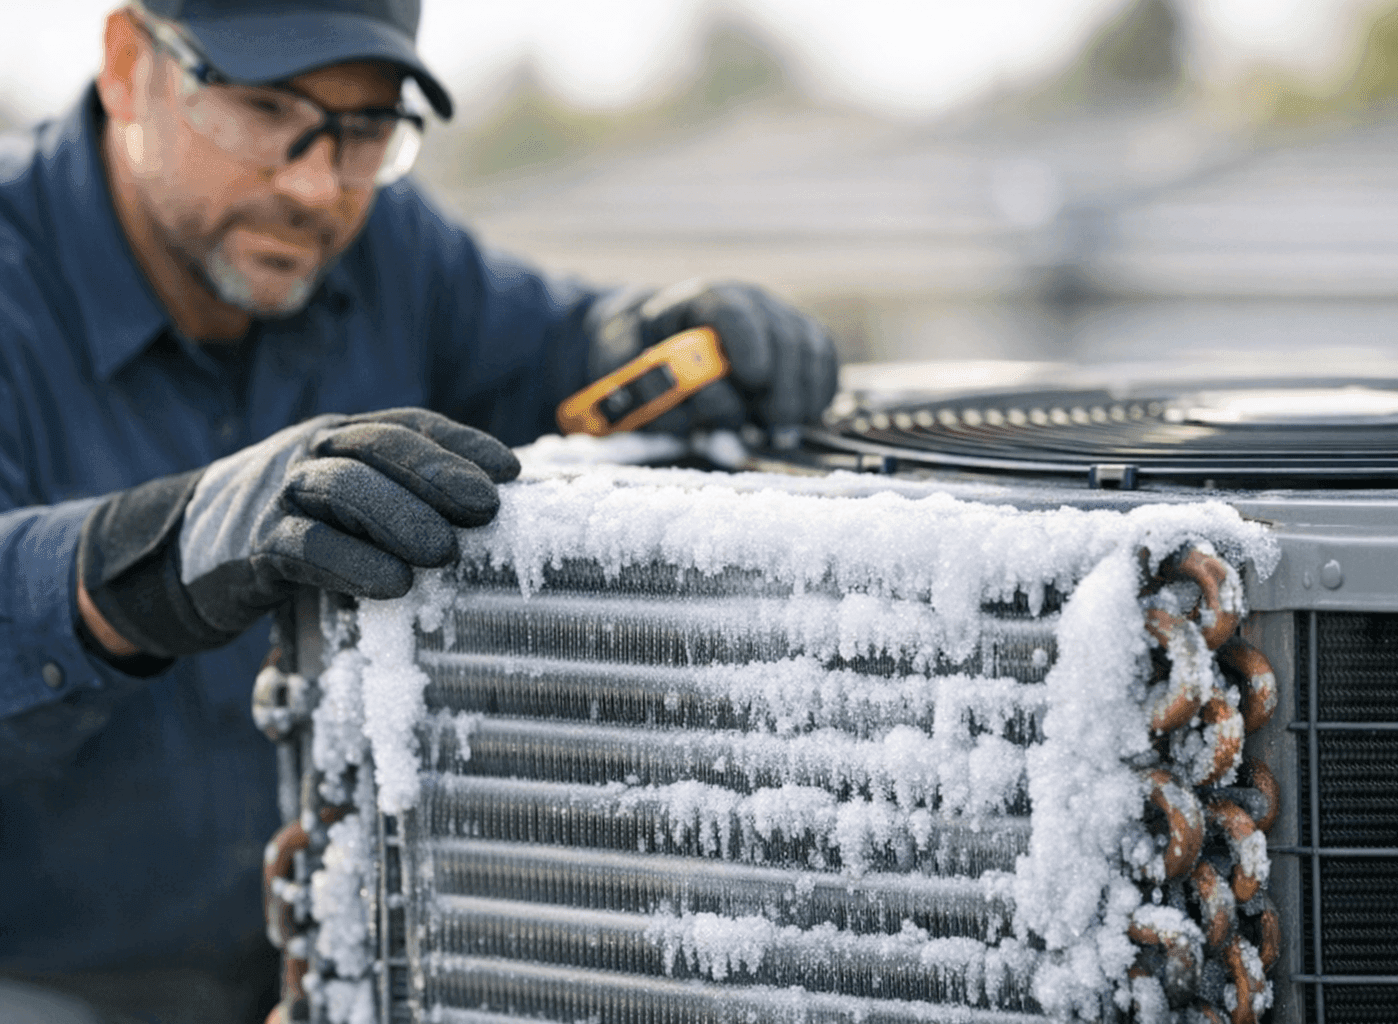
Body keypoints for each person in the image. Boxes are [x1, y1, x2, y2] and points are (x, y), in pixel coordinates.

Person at [0, 0, 839, 1020]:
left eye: (362, 130)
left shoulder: (386, 247)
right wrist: (166, 550)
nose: (314, 183)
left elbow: (552, 352)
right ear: (130, 64)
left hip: (337, 962)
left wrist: (657, 335)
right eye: (265, 110)